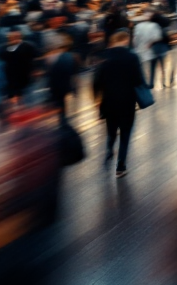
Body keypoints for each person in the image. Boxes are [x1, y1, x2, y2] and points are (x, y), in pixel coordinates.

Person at [93, 29, 147, 177]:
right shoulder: (132, 57)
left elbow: (96, 82)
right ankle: (120, 167)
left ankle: (109, 149)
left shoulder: (104, 57)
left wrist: (96, 100)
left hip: (109, 101)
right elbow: (138, 80)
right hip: (127, 101)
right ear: (125, 40)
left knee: (111, 130)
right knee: (125, 133)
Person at [45, 32, 80, 129]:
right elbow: (74, 75)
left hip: (56, 87)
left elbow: (49, 74)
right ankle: (62, 123)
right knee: (61, 107)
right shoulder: (72, 56)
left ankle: (62, 123)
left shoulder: (51, 57)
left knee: (59, 106)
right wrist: (74, 89)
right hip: (64, 86)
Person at [2, 28, 38, 101]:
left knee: (29, 98)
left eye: (17, 36)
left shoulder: (28, 46)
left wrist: (35, 69)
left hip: (26, 77)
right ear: (8, 38)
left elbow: (35, 57)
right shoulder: (5, 48)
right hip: (13, 79)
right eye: (13, 36)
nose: (15, 38)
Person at [132, 12, 164, 89]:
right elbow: (158, 37)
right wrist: (150, 43)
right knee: (152, 67)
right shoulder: (154, 26)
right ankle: (151, 82)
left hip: (140, 49)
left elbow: (135, 38)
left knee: (142, 67)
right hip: (151, 49)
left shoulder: (138, 26)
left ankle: (144, 82)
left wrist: (135, 46)